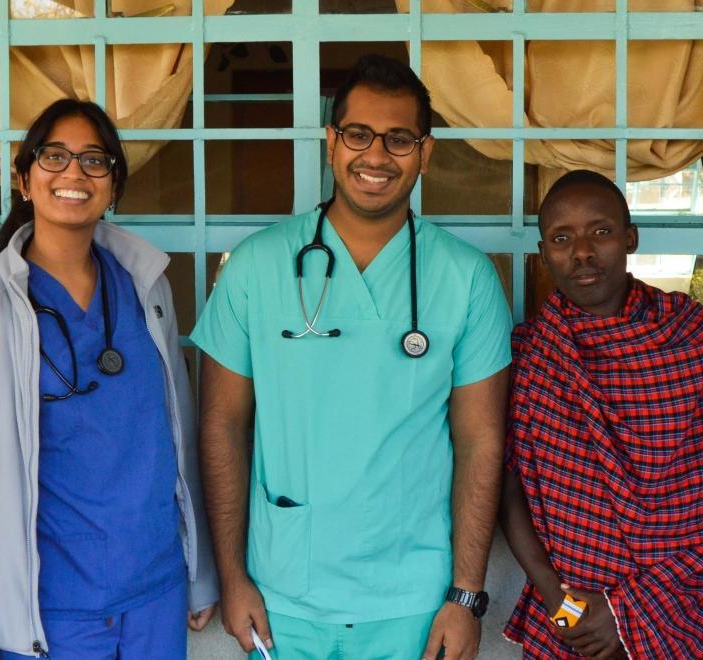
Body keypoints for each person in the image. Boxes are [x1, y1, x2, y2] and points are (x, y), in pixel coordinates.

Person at [192, 54, 512, 659]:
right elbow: (222, 425)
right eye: (358, 135)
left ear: (426, 152)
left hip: (414, 601)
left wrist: (466, 595)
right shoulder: (257, 267)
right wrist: (233, 579)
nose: (376, 156)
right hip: (285, 592)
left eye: (398, 139)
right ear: (332, 142)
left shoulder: (466, 278)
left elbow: (480, 441)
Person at [0, 98, 219, 659]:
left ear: (113, 184)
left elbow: (175, 438)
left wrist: (199, 572)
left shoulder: (146, 285)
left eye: (94, 160)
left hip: (155, 593)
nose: (74, 174)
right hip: (48, 608)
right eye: (54, 156)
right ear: (23, 177)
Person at [500, 170, 703, 659]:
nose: (583, 252)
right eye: (562, 238)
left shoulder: (693, 338)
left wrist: (624, 615)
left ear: (630, 237)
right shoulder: (532, 356)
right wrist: (564, 608)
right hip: (568, 617)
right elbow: (507, 495)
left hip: (672, 614)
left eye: (601, 232)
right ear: (544, 252)